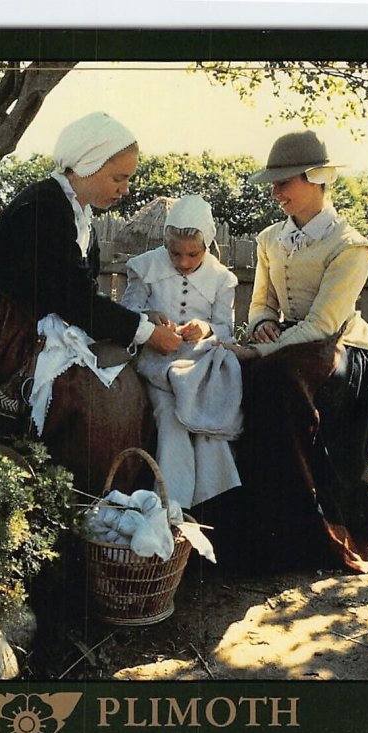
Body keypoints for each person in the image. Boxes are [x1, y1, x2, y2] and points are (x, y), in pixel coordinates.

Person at [0, 111, 182, 437]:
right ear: (88, 164)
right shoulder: (43, 207)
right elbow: (73, 299)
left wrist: (141, 318)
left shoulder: (81, 218)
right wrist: (146, 332)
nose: (125, 190)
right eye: (118, 178)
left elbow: (80, 292)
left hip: (18, 331)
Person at [223, 130, 368, 572]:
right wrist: (262, 326)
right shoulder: (269, 240)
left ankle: (312, 530)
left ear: (316, 178)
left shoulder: (350, 246)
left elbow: (324, 324)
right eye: (274, 183)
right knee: (243, 376)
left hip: (347, 350)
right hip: (290, 347)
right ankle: (258, 528)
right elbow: (262, 301)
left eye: (285, 182)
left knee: (278, 382)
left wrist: (262, 353)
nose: (276, 192)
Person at [121, 194, 243, 510]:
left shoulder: (221, 279)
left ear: (208, 246)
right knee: (170, 416)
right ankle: (173, 506)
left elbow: (225, 329)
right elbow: (128, 310)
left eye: (193, 255)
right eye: (175, 254)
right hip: (157, 363)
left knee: (205, 424)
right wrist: (149, 317)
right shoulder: (146, 267)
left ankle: (213, 505)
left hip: (198, 366)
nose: (184, 262)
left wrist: (205, 329)